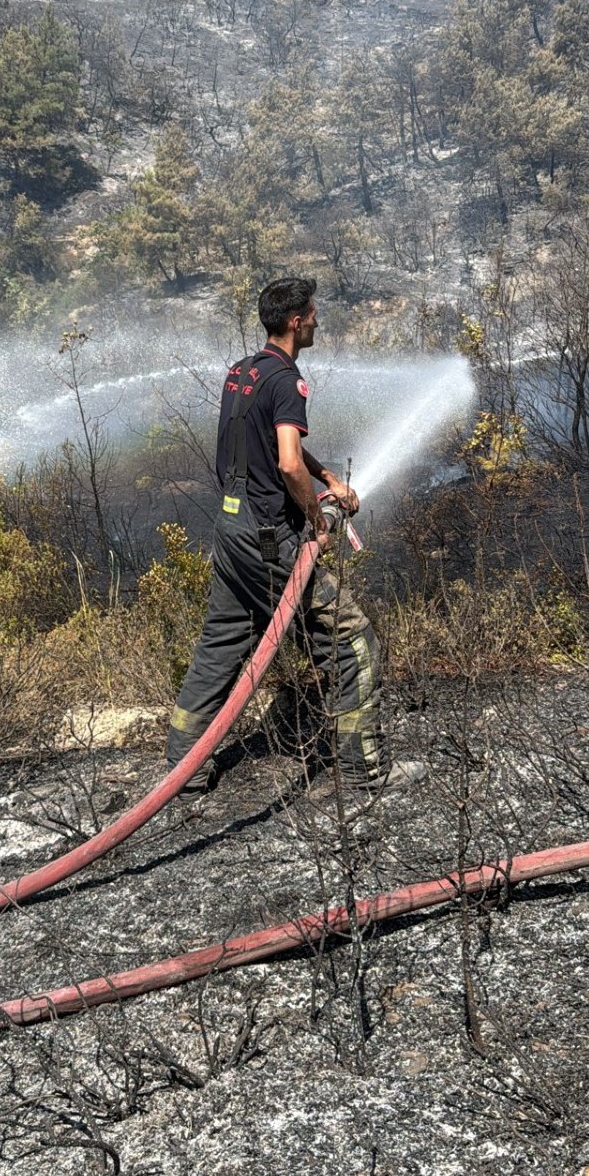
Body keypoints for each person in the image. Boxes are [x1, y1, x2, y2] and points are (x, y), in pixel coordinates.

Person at [166, 274, 388, 796]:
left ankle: (183, 770)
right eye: (312, 313)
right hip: (270, 536)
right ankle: (362, 773)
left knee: (220, 646)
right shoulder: (289, 380)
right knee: (354, 641)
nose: (316, 320)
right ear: (295, 322)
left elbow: (273, 441)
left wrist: (326, 476)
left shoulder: (242, 372)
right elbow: (287, 461)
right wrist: (316, 519)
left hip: (230, 529)